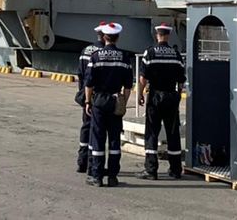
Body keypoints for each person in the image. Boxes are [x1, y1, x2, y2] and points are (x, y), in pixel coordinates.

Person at [83, 22, 133, 187]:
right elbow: (128, 86)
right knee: (114, 140)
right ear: (117, 38)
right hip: (115, 101)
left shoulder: (96, 56)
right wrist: (123, 103)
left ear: (104, 37)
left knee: (98, 138)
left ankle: (96, 176)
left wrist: (88, 101)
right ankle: (112, 176)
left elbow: (89, 83)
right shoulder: (124, 57)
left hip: (99, 101)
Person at [137, 23, 186, 180]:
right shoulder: (176, 54)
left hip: (155, 96)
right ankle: (176, 169)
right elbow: (181, 80)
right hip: (171, 96)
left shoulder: (150, 52)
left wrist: (140, 94)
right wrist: (178, 94)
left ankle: (151, 170)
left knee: (152, 132)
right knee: (173, 132)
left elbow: (143, 78)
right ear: (168, 36)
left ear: (157, 35)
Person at [74, 22, 107, 173]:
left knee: (86, 127)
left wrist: (84, 95)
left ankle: (82, 161)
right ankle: (93, 164)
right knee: (98, 130)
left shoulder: (85, 50)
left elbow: (80, 74)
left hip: (85, 95)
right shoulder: (103, 53)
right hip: (99, 97)